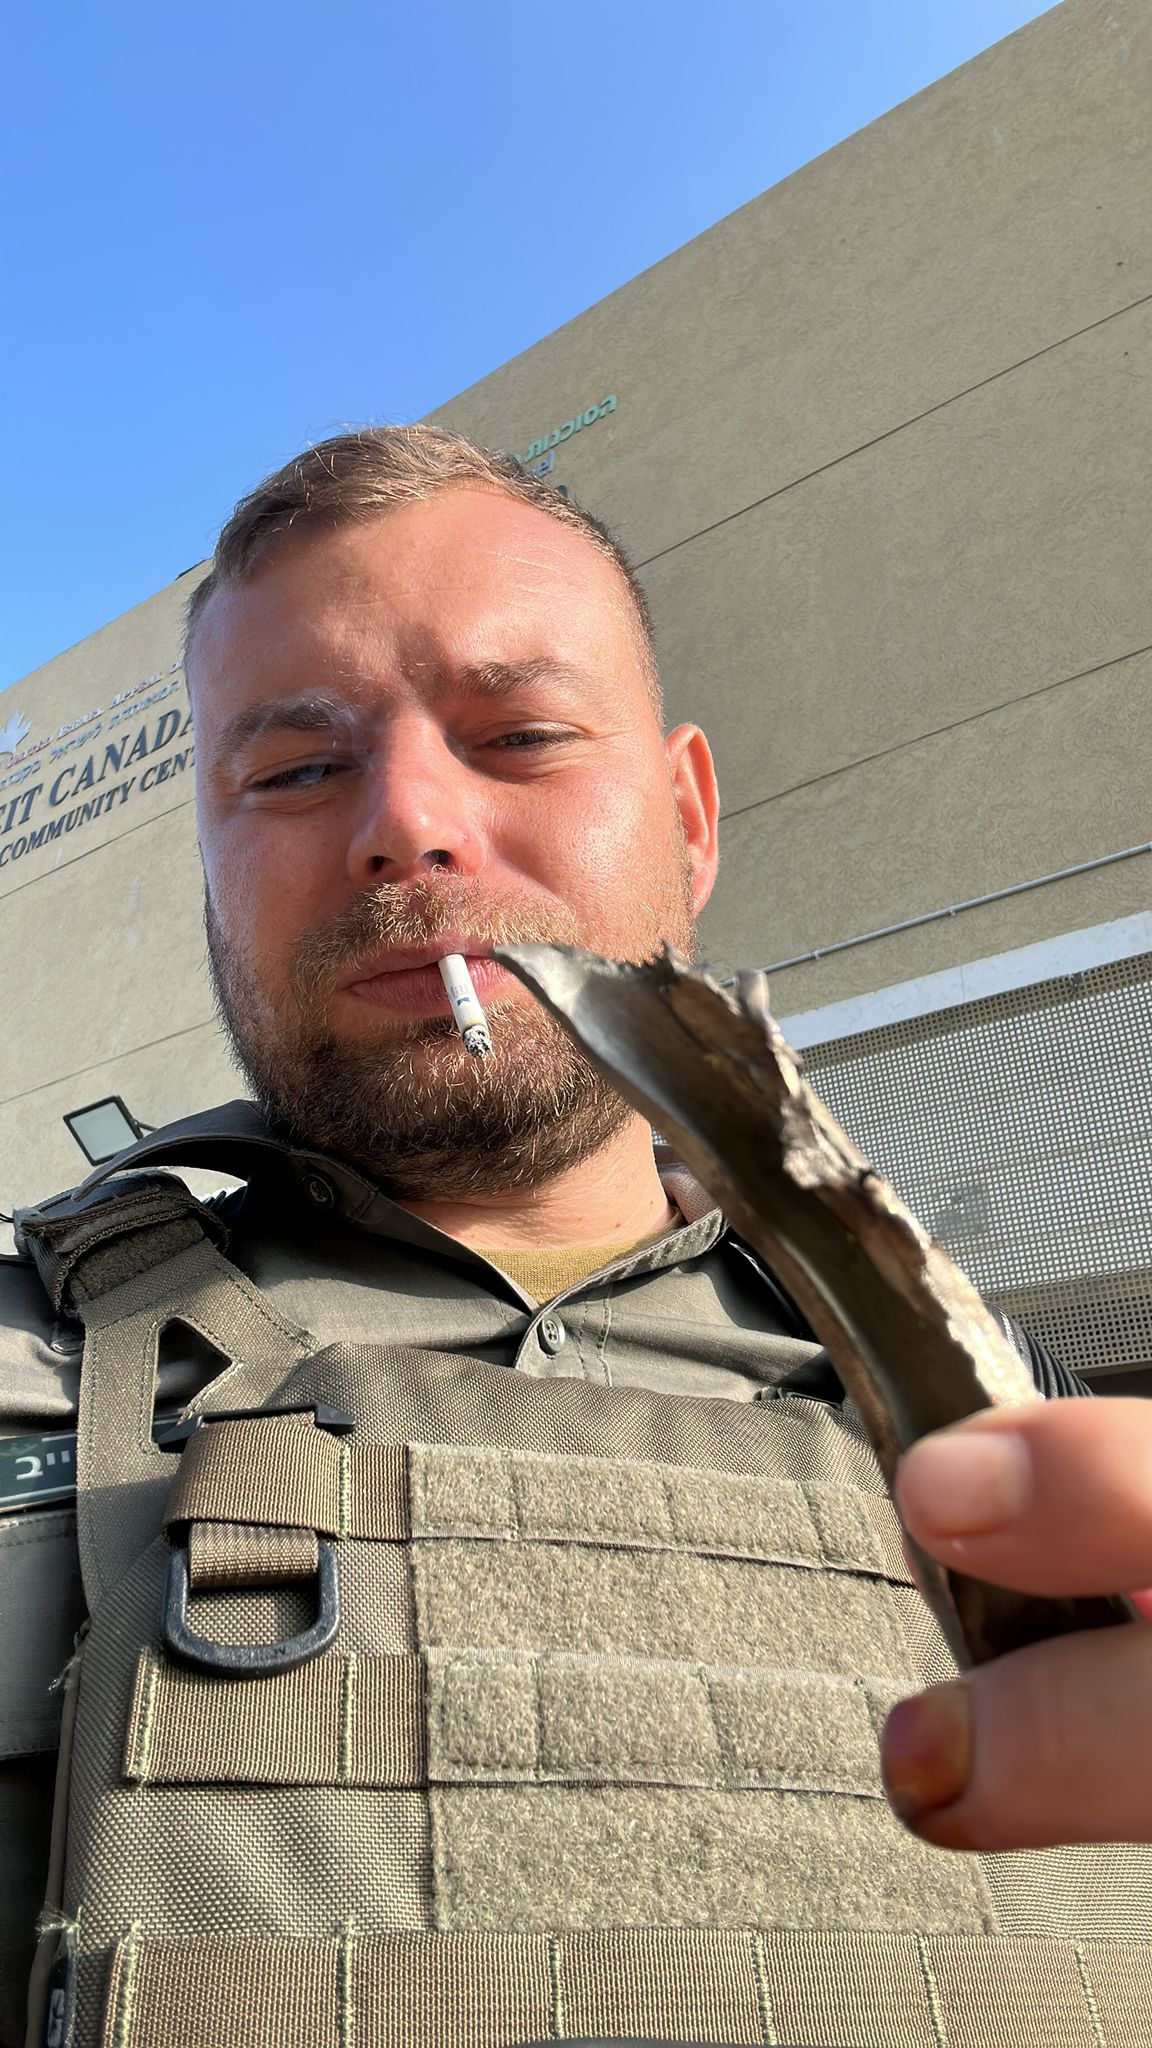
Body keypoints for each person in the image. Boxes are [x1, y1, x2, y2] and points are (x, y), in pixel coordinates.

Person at [3, 424, 1151, 2048]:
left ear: (689, 816)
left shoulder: (1000, 1412)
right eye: (297, 770)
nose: (409, 825)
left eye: (522, 736)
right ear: (210, 859)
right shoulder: (25, 1374)